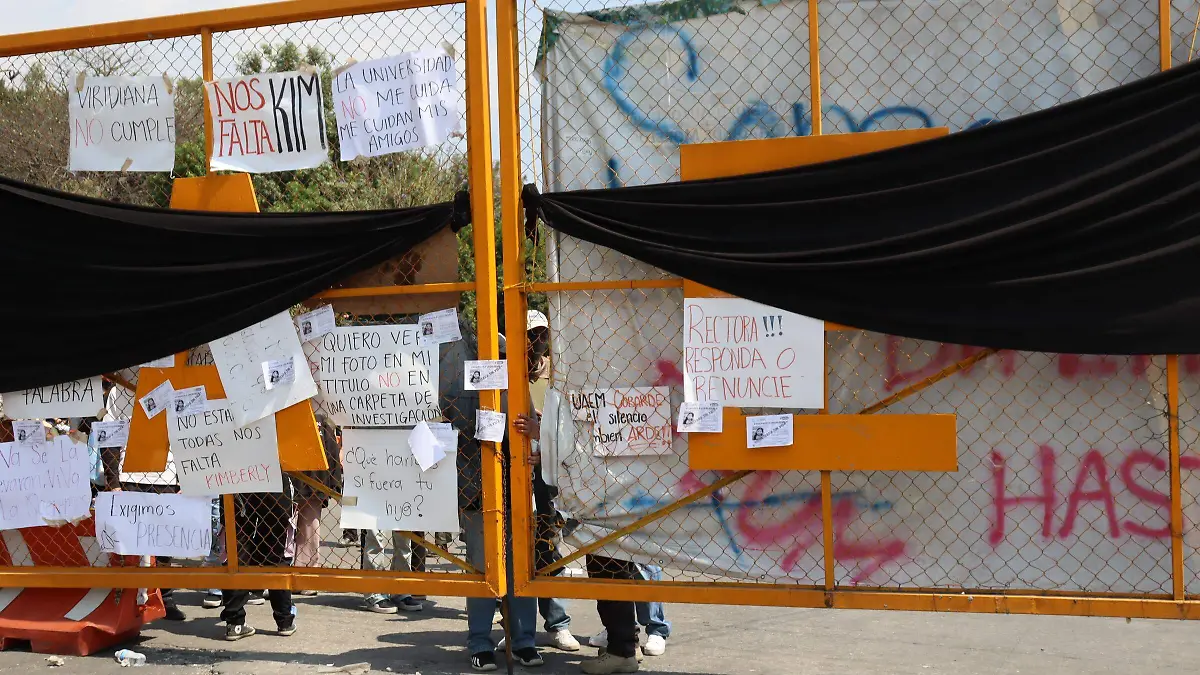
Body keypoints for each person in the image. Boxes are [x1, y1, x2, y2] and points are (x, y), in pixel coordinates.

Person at [445, 327, 543, 672]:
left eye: (501, 358)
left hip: (512, 486)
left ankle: (523, 640)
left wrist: (535, 447)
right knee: (483, 566)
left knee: (518, 567)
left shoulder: (515, 384)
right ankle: (481, 641)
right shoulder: (456, 385)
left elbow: (532, 428)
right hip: (478, 488)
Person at [220, 484, 297, 640]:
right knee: (276, 552)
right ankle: (284, 621)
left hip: (235, 481)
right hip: (273, 480)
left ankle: (235, 622)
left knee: (237, 550)